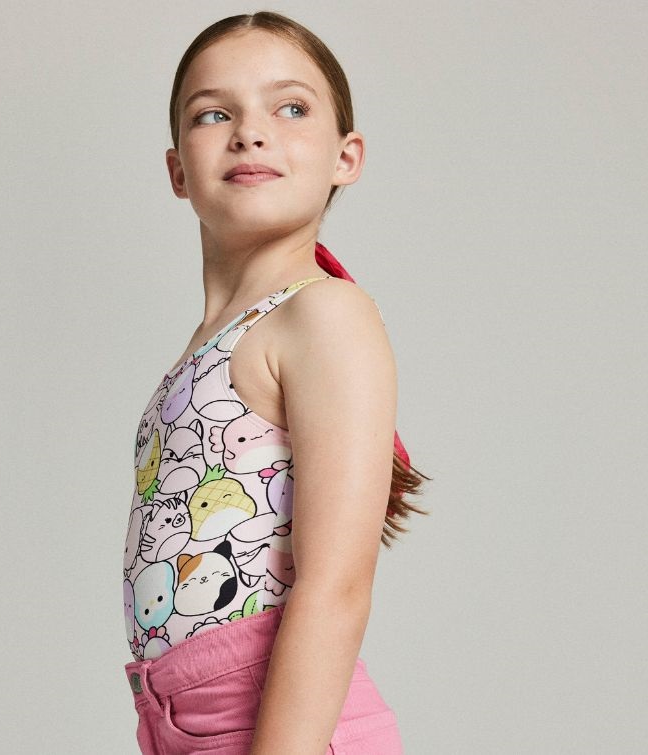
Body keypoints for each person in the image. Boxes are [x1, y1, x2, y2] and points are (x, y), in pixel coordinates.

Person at [122, 11, 429, 754]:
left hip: (281, 730)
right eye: (214, 114)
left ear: (345, 157)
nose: (250, 133)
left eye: (290, 108)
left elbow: (335, 589)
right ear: (177, 170)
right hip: (185, 726)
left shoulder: (324, 313)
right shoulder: (210, 345)